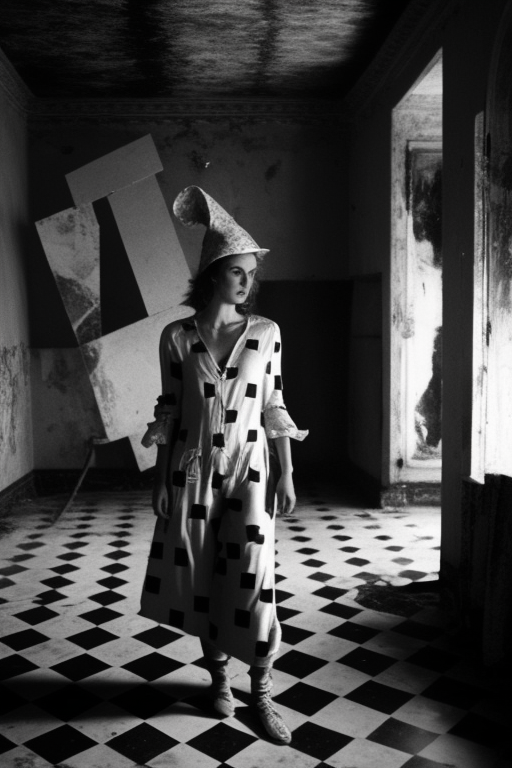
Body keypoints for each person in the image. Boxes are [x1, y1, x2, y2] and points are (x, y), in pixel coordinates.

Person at [139, 185, 307, 745]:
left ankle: (262, 691)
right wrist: (162, 480)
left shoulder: (265, 335)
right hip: (192, 470)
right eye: (237, 271)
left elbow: (275, 405)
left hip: (251, 469)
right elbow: (168, 410)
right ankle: (219, 681)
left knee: (255, 578)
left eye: (250, 273)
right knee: (204, 574)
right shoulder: (177, 339)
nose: (246, 281)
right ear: (213, 273)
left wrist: (286, 470)